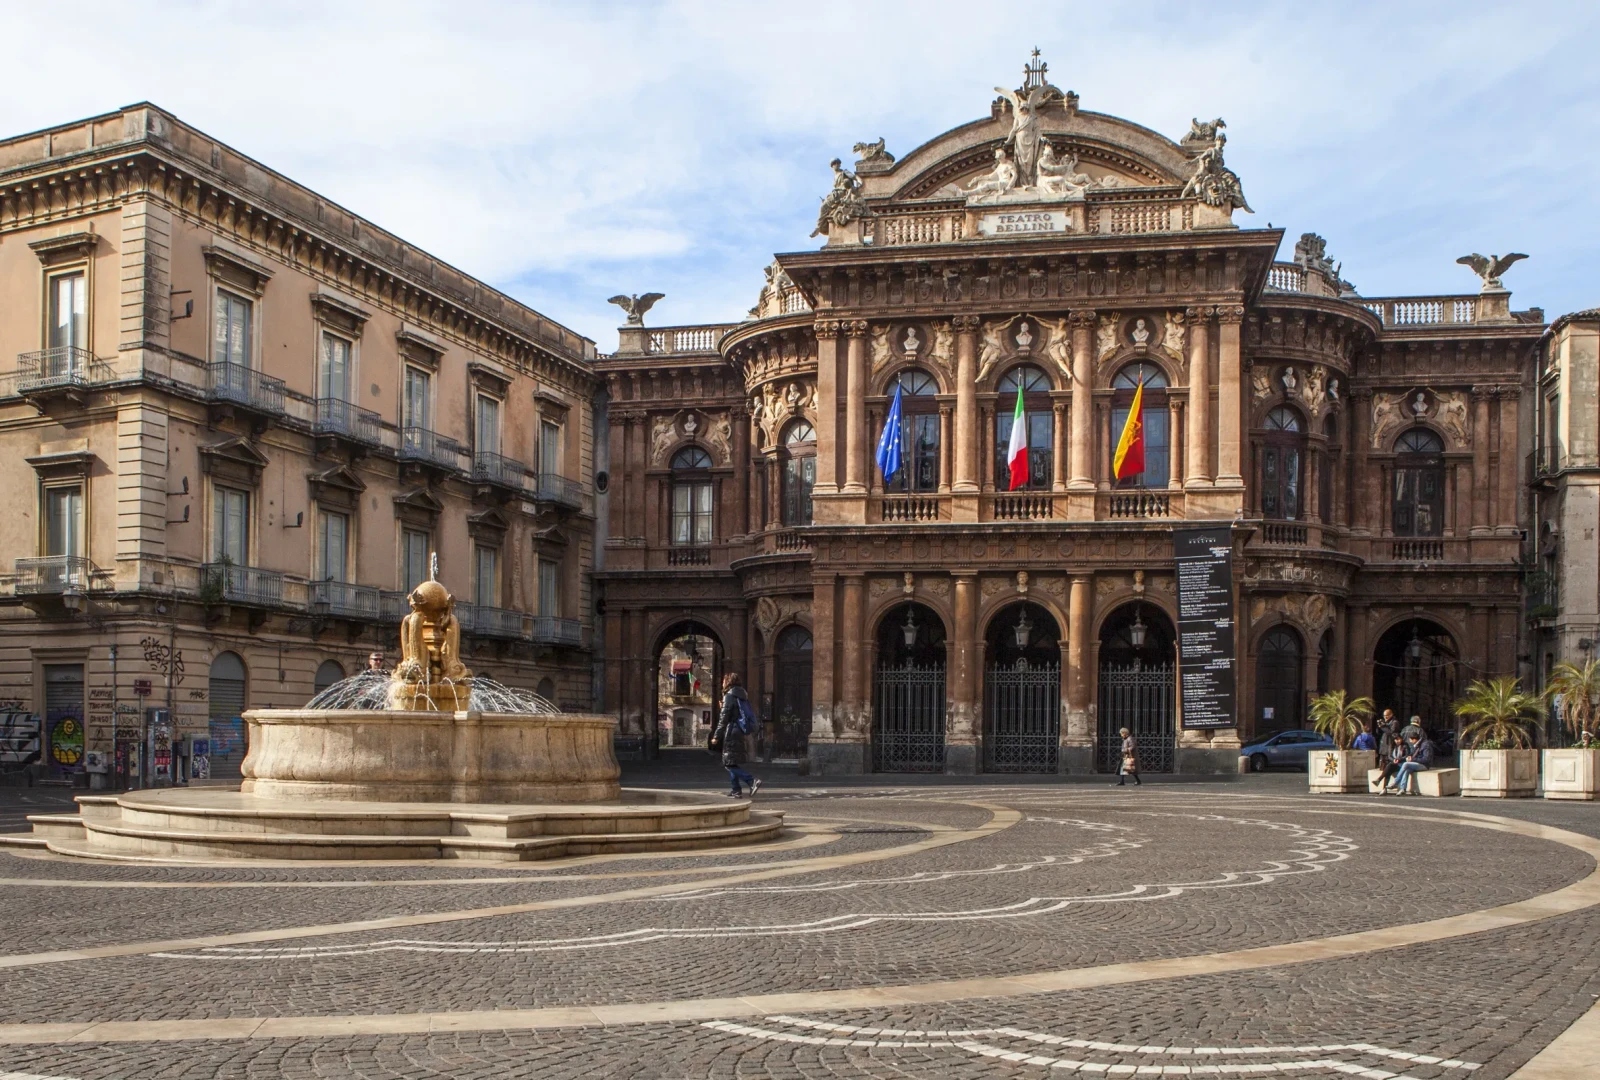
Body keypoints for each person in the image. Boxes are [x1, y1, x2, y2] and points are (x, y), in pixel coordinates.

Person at [712, 673, 761, 799]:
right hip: (738, 730)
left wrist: (716, 736)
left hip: (731, 731)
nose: (722, 683)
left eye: (724, 680)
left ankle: (751, 781)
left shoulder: (729, 696)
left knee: (728, 763)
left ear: (728, 682)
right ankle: (736, 790)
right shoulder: (741, 695)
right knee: (732, 761)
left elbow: (724, 718)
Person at [1387, 729, 1436, 795]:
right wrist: (1409, 757)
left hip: (1424, 765)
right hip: (1417, 763)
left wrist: (1412, 759)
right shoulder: (1417, 745)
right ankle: (1403, 789)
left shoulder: (1425, 745)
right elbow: (1412, 753)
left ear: (1414, 739)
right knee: (1407, 769)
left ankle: (1396, 782)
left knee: (1406, 764)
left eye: (1410, 740)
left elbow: (1426, 759)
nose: (1410, 741)